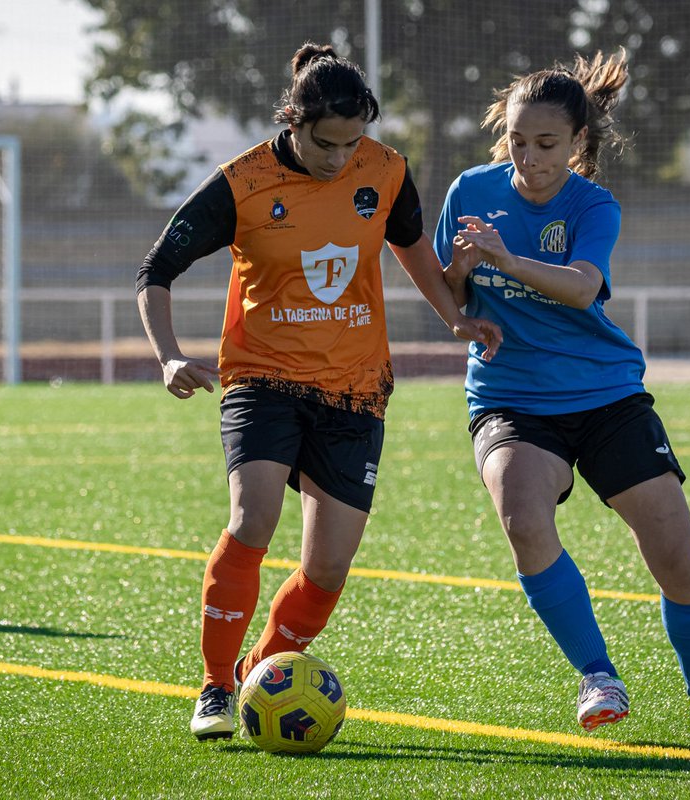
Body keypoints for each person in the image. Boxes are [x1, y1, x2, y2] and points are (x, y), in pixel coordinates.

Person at [136, 42, 502, 741]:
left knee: (327, 567)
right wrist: (168, 357)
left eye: (351, 143)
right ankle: (215, 688)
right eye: (324, 144)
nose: (339, 159)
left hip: (356, 389)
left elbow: (413, 248)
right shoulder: (240, 183)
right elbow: (156, 269)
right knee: (253, 519)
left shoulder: (387, 170)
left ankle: (261, 672)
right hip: (262, 378)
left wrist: (454, 314)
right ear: (291, 120)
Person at [434, 50, 690, 739]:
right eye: (518, 140)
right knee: (522, 517)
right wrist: (461, 280)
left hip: (607, 396)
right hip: (511, 397)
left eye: (546, 143)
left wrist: (504, 259)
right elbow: (451, 292)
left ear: (578, 142)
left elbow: (582, 286)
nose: (528, 156)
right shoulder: (470, 192)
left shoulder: (593, 204)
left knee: (676, 559)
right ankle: (597, 674)